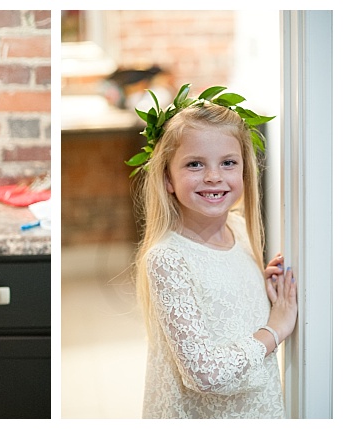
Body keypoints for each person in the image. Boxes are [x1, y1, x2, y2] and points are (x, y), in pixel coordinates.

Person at [131, 86, 295, 418]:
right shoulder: (168, 258)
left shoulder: (239, 229)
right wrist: (274, 329)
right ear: (167, 178)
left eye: (228, 162)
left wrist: (258, 291)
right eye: (194, 164)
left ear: (244, 169)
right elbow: (204, 374)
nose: (213, 177)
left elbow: (225, 306)